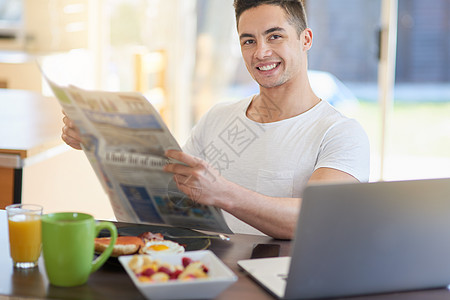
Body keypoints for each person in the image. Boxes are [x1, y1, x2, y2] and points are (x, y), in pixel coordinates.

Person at [62, 0, 370, 240]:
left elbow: (318, 220)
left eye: (274, 36)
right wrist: (100, 144)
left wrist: (222, 193)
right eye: (248, 40)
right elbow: (165, 210)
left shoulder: (340, 133)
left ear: (305, 40)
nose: (261, 52)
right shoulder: (218, 118)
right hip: (209, 270)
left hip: (285, 280)